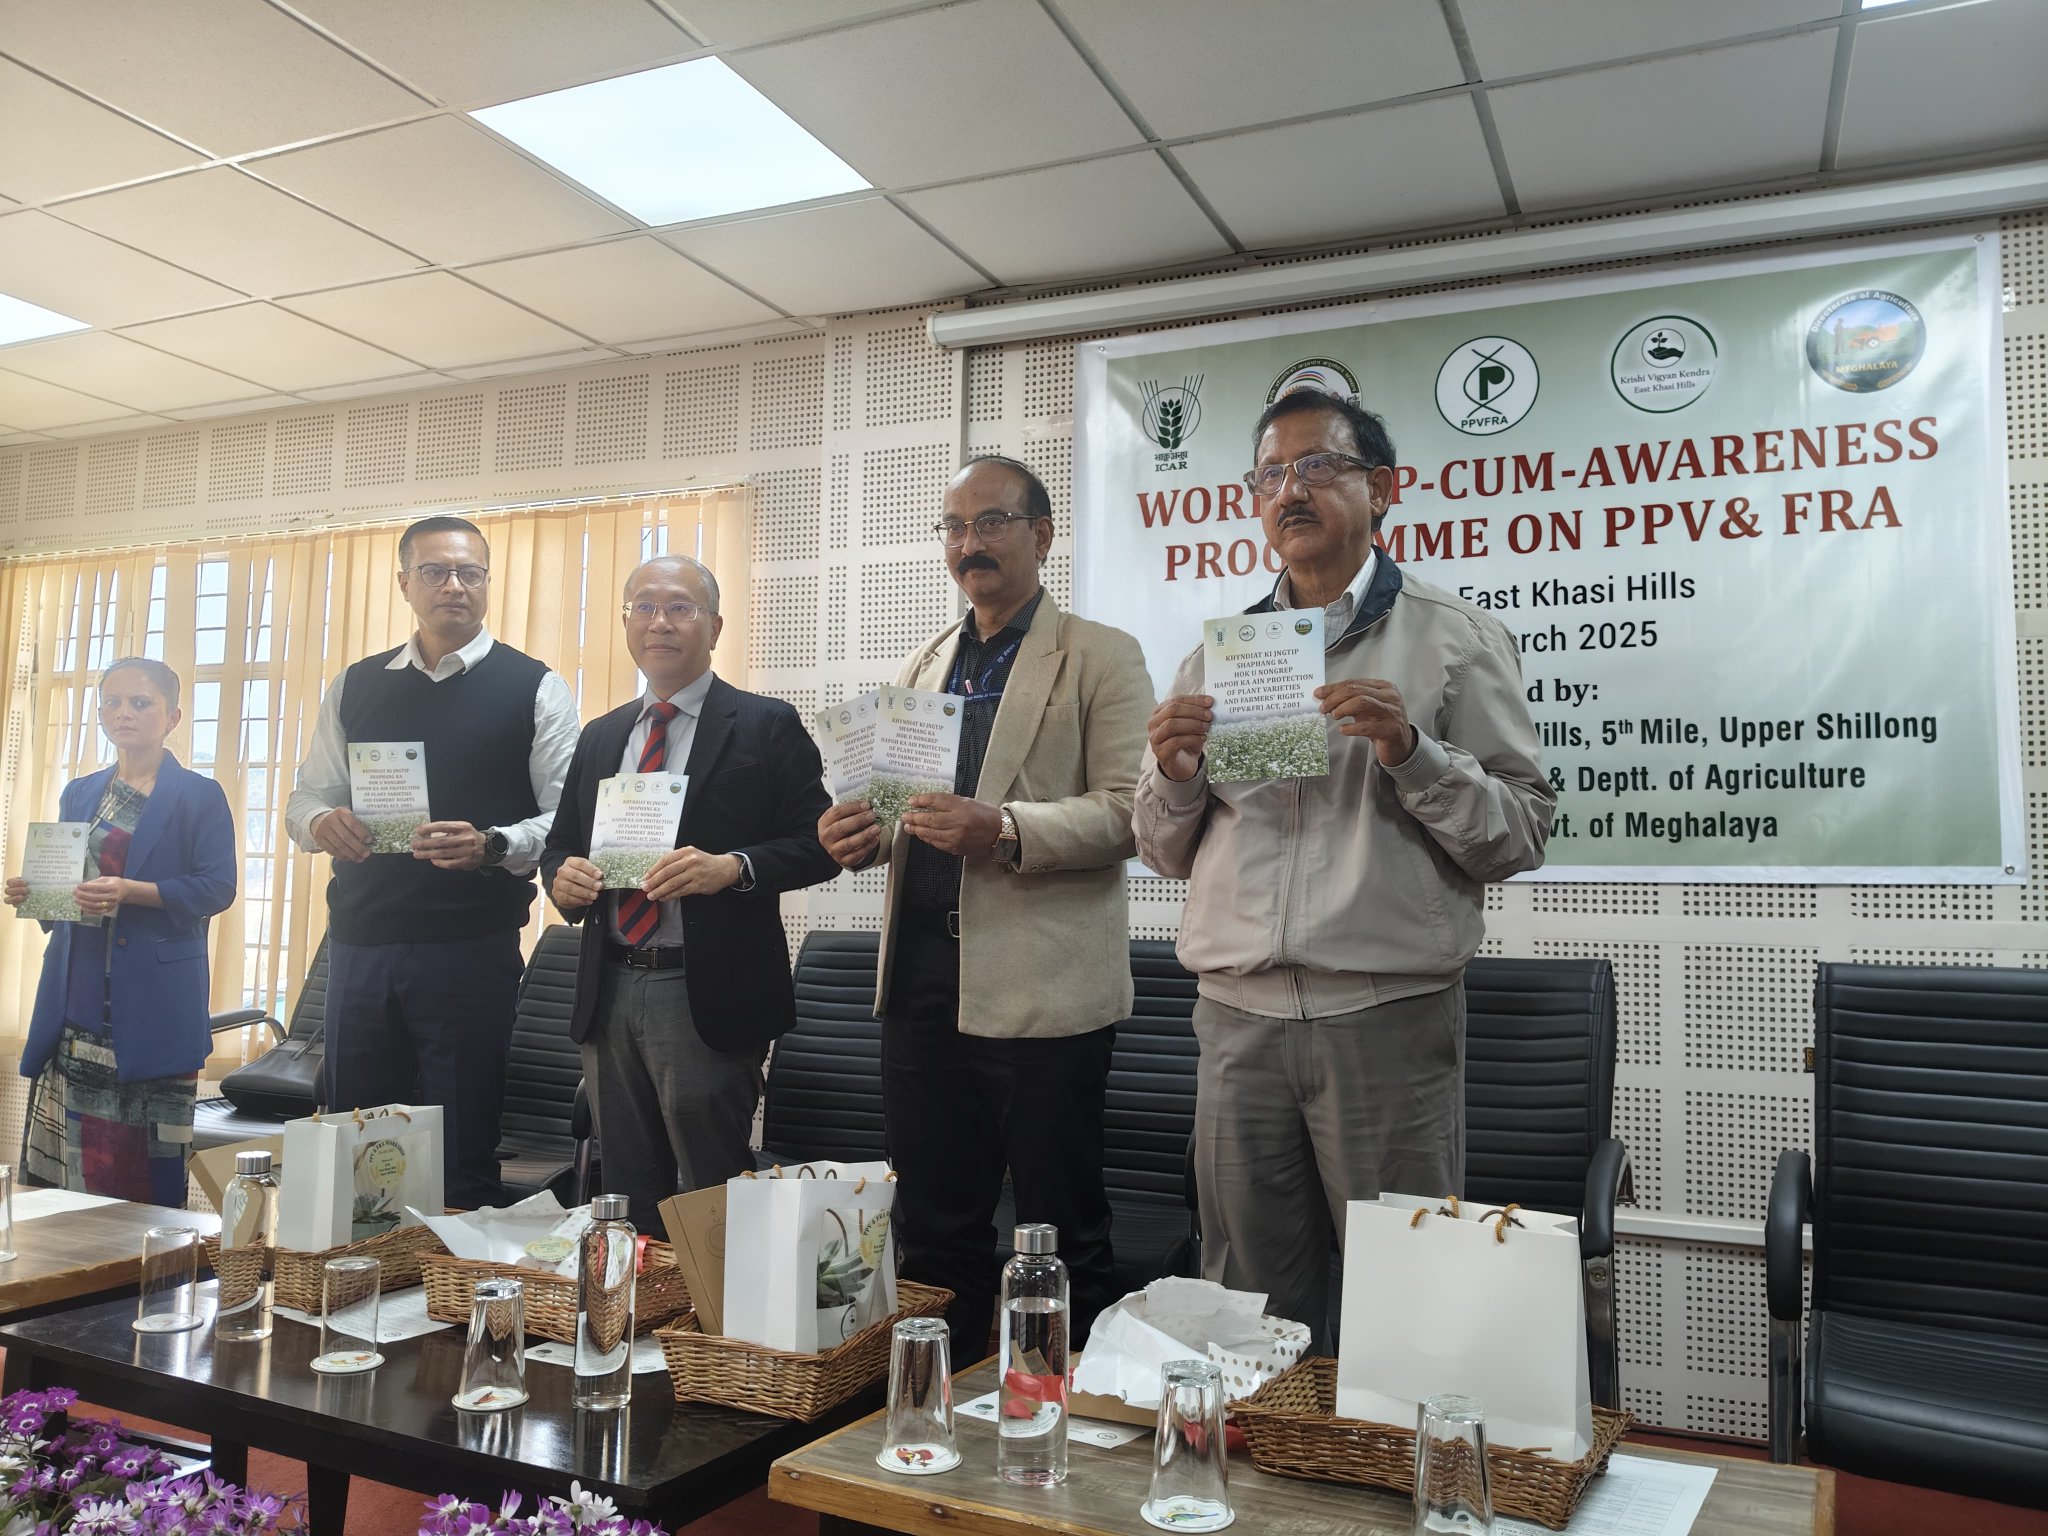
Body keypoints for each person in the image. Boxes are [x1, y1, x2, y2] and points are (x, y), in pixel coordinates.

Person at [1133, 390, 1555, 1346]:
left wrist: (1413, 753)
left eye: (1318, 465)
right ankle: (1259, 1447)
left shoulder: (1454, 638)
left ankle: (1390, 1447)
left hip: (1384, 1019)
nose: (1291, 490)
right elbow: (1161, 850)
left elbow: (1519, 833)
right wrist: (1174, 773)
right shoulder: (1216, 658)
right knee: (1246, 1312)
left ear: (1383, 489)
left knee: (1404, 1308)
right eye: (1271, 475)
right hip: (1236, 1020)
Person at [817, 456, 1153, 1349]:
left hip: (1043, 986)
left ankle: (1061, 1407)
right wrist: (857, 835)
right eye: (955, 527)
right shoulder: (924, 663)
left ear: (1041, 535)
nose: (970, 543)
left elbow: (1131, 814)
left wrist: (1004, 828)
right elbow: (897, 812)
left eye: (992, 522)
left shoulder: (1101, 654)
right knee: (933, 1228)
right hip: (923, 978)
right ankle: (942, 1403)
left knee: (1059, 1230)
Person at [284, 514, 578, 1209]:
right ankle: (361, 1275)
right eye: (436, 572)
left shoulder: (534, 686)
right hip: (360, 945)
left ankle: (458, 1278)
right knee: (358, 1151)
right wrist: (322, 822)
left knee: (460, 1151)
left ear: (487, 582)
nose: (454, 586)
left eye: (470, 573)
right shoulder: (356, 685)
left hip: (470, 950)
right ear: (404, 583)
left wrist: (492, 844)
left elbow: (567, 819)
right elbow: (305, 798)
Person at [543, 555, 840, 1229]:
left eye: (680, 607)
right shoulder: (602, 735)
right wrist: (563, 878)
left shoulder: (765, 724)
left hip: (706, 992)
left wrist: (733, 867)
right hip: (610, 987)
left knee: (712, 1194)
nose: (660, 622)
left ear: (715, 626)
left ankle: (722, 1303)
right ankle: (636, 1297)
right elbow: (561, 847)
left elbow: (821, 844)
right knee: (625, 1194)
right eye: (644, 607)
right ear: (626, 622)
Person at [7, 658, 236, 1203]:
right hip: (77, 1000)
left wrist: (133, 891)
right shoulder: (80, 791)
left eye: (140, 702)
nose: (123, 712)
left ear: (172, 716)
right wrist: (34, 893)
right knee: (68, 1185)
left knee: (145, 1182)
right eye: (111, 701)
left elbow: (216, 888)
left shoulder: (198, 795)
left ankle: (146, 1260)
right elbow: (67, 885)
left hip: (153, 1004)